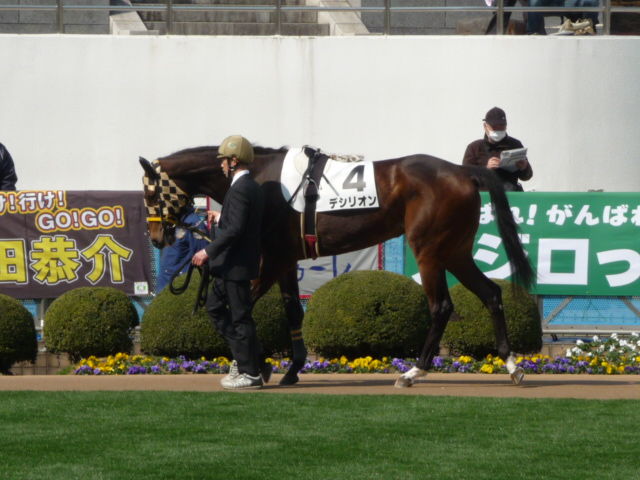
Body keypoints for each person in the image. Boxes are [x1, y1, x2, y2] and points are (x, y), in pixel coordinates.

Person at [191, 135, 267, 390]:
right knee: (214, 307)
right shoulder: (248, 186)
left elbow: (236, 229)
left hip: (235, 265)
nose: (221, 165)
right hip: (230, 266)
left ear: (234, 161)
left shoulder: (242, 188)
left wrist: (207, 252)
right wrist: (221, 216)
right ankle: (248, 359)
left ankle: (251, 373)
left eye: (223, 160)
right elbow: (239, 221)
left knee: (240, 318)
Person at [462, 107, 533, 192]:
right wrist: (486, 170)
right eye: (494, 127)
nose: (498, 130)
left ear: (506, 126)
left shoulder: (515, 144)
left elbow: (527, 176)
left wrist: (524, 167)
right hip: (485, 196)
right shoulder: (474, 147)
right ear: (485, 126)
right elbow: (465, 177)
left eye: (502, 126)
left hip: (510, 195)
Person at [156, 204, 209, 292]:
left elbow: (202, 259)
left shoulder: (193, 223)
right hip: (164, 283)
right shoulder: (169, 222)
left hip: (181, 287)